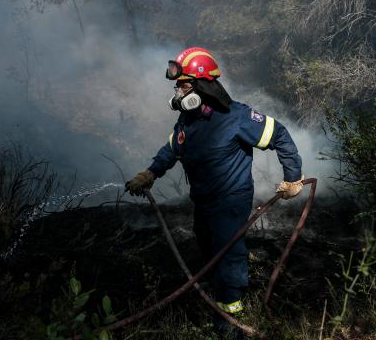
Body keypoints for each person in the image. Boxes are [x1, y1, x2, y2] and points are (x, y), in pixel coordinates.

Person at [125, 46, 304, 337]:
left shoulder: (238, 117)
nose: (177, 91)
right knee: (209, 251)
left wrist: (293, 178)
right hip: (204, 200)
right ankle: (219, 295)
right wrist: (151, 172)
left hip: (231, 201)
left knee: (227, 256)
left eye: (182, 84)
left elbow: (280, 135)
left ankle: (230, 324)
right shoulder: (189, 120)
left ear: (199, 86)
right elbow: (174, 146)